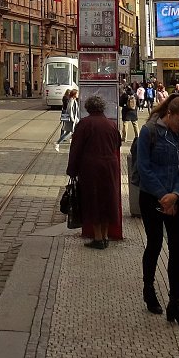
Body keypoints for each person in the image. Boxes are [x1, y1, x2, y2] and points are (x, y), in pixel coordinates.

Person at [135, 94, 179, 328]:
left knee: (177, 248)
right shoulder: (149, 131)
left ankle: (175, 302)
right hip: (152, 196)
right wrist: (163, 197)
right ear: (169, 114)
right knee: (155, 243)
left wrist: (176, 194)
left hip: (175, 197)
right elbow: (144, 167)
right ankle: (148, 288)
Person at [65, 95, 121, 250]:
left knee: (94, 200)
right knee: (108, 199)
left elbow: (76, 149)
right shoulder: (111, 124)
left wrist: (72, 170)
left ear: (88, 108)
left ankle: (98, 238)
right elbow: (117, 143)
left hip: (91, 167)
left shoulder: (84, 124)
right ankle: (105, 235)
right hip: (110, 166)